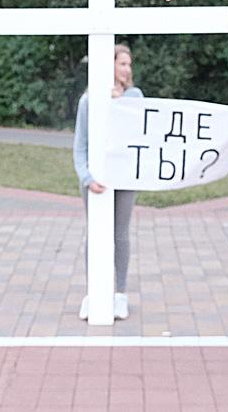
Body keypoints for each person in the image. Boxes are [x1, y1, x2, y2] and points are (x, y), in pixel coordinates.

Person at [72, 44, 142, 320]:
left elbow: (138, 133)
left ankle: (120, 293)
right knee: (96, 233)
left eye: (129, 64)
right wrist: (87, 177)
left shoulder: (135, 96)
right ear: (108, 65)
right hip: (95, 180)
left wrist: (119, 102)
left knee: (120, 233)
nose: (127, 69)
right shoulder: (88, 100)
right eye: (122, 63)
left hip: (124, 177)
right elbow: (80, 146)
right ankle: (93, 293)